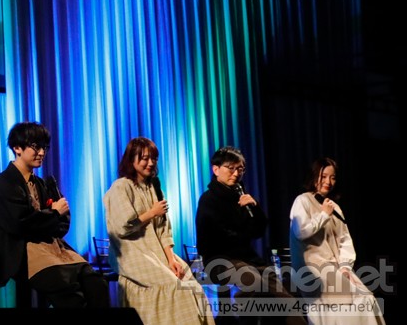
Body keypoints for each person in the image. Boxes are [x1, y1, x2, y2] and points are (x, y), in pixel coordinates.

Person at [0, 121, 110, 309]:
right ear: (17, 148)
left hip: (55, 249)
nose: (42, 153)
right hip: (26, 254)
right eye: (35, 147)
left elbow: (63, 225)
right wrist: (53, 213)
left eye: (44, 147)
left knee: (97, 283)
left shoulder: (41, 183)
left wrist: (50, 216)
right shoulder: (4, 183)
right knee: (70, 294)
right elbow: (20, 224)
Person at [104, 137, 214, 324]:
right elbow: (122, 227)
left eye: (153, 158)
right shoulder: (121, 186)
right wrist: (151, 213)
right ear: (131, 159)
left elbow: (164, 229)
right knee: (173, 286)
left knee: (192, 285)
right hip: (134, 253)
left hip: (158, 252)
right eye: (144, 158)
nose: (150, 163)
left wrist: (171, 259)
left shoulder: (155, 187)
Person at [195, 146, 305, 325]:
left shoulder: (241, 195)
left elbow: (258, 231)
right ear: (216, 169)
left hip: (246, 259)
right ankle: (244, 317)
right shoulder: (209, 199)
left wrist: (255, 208)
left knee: (284, 295)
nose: (236, 173)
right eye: (231, 168)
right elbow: (218, 236)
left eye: (240, 169)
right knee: (251, 278)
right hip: (219, 260)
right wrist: (241, 234)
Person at [289, 158, 386, 324]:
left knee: (366, 299)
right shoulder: (303, 201)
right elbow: (300, 232)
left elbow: (344, 240)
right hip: (312, 268)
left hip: (335, 267)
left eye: (332, 177)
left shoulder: (334, 207)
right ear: (314, 176)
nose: (328, 182)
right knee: (350, 303)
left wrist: (345, 266)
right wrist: (323, 215)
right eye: (323, 176)